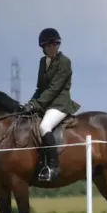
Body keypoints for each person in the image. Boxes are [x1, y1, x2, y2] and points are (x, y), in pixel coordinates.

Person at [20, 28, 81, 182]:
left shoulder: (65, 62)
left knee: (44, 127)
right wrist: (30, 103)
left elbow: (54, 88)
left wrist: (37, 104)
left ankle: (54, 167)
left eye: (54, 45)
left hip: (59, 104)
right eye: (49, 45)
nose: (52, 48)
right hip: (45, 104)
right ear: (43, 48)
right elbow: (40, 88)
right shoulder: (43, 62)